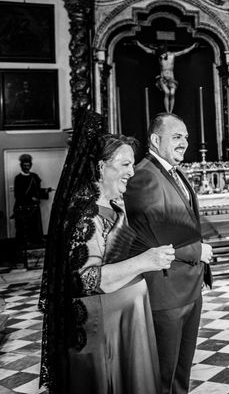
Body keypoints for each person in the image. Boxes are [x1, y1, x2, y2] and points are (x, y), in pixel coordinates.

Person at [39, 110, 174, 394]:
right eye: (125, 164)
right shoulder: (86, 216)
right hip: (104, 333)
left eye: (132, 164)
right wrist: (145, 261)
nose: (132, 171)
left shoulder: (113, 207)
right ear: (100, 167)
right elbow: (86, 280)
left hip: (126, 324)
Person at [124, 112, 213, 394]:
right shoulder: (144, 176)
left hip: (188, 288)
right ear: (154, 139)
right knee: (163, 374)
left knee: (181, 371)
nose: (184, 142)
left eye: (186, 137)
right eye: (176, 136)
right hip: (166, 292)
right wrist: (199, 250)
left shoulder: (175, 172)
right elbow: (156, 234)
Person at [135, 40, 198, 113]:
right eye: (160, 56)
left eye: (162, 55)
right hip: (163, 78)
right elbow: (148, 50)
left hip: (171, 78)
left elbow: (184, 51)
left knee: (172, 93)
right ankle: (167, 112)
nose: (161, 57)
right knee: (167, 93)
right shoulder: (159, 55)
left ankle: (170, 112)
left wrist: (193, 46)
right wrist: (139, 44)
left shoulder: (172, 55)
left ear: (165, 52)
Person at [13, 154, 52, 247]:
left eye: (28, 165)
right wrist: (30, 198)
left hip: (34, 206)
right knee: (24, 228)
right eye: (25, 166)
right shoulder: (18, 178)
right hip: (23, 207)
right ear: (21, 166)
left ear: (30, 165)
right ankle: (25, 244)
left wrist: (46, 190)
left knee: (36, 225)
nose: (27, 167)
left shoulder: (34, 176)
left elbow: (37, 191)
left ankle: (37, 242)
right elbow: (17, 194)